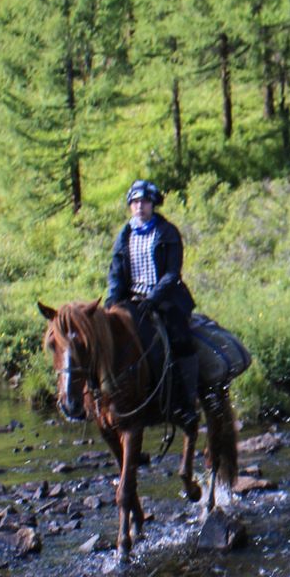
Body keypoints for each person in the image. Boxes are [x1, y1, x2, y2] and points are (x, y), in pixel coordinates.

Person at [106, 179, 200, 425]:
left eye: (145, 202)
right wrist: (112, 302)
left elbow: (172, 273)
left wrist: (154, 298)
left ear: (153, 204)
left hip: (166, 299)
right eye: (135, 202)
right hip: (131, 301)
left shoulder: (167, 232)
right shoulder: (124, 235)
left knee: (180, 339)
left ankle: (185, 403)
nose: (140, 207)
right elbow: (116, 273)